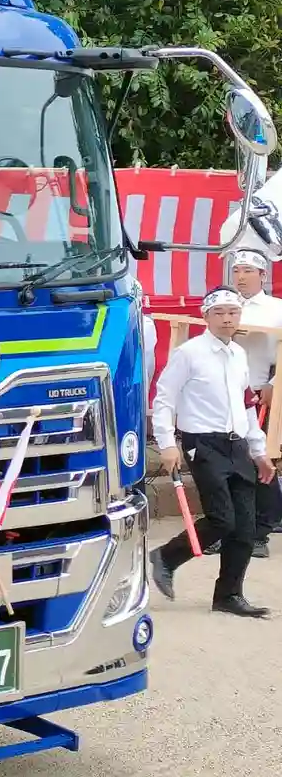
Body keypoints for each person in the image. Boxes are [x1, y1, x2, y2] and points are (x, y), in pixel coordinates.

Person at [149, 286, 277, 617]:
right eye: (219, 312)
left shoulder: (238, 354)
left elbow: (247, 406)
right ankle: (167, 556)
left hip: (237, 444)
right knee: (222, 519)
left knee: (245, 528)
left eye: (233, 312)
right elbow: (164, 399)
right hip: (203, 443)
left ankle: (228, 595)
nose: (226, 319)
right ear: (205, 316)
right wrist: (166, 443)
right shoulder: (189, 353)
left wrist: (258, 450)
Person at [228, 248, 282, 557]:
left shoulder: (276, 308)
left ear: (263, 275)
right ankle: (233, 528)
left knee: (258, 459)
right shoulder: (226, 305)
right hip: (225, 393)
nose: (241, 277)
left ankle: (261, 532)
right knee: (230, 464)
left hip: (260, 392)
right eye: (237, 270)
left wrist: (274, 384)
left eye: (248, 271)